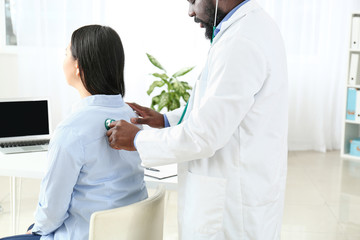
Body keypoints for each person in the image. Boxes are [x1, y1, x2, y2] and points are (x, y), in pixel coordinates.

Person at [107, 0, 288, 239]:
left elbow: (205, 134)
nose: (190, 11)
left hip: (232, 208)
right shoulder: (250, 27)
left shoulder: (240, 43)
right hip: (242, 188)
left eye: (193, 1)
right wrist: (165, 120)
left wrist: (138, 140)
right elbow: (217, 107)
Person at [1, 25, 148, 240]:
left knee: (34, 227)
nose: (63, 60)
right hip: (126, 232)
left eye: (66, 53)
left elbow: (52, 210)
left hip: (85, 234)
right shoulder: (131, 116)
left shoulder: (71, 129)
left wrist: (38, 228)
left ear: (78, 66)